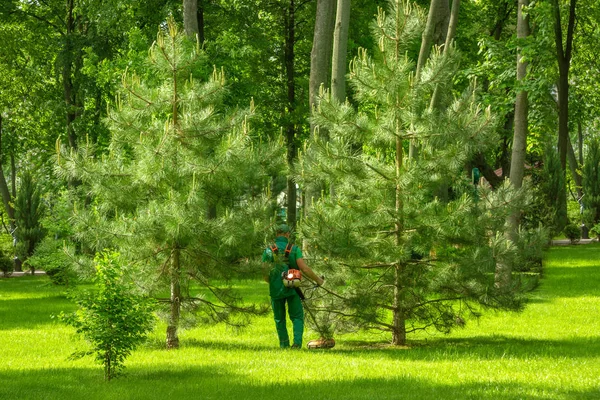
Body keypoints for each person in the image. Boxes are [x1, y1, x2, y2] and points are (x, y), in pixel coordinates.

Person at [262, 224, 324, 349]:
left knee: (279, 319)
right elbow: (304, 269)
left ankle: (284, 345)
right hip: (293, 287)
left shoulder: (268, 250)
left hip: (275, 289)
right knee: (297, 316)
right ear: (287, 235)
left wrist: (272, 282)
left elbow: (264, 272)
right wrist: (318, 280)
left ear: (276, 234)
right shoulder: (294, 249)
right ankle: (296, 343)